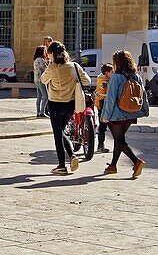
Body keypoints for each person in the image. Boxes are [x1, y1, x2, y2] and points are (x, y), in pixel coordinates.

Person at [39, 42, 91, 175]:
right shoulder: (74, 66)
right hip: (70, 104)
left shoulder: (52, 67)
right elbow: (87, 81)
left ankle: (63, 164)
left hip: (55, 103)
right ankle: (71, 157)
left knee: (58, 134)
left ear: (52, 54)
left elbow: (43, 80)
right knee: (61, 131)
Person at [99, 51, 148, 177]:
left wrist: (105, 116)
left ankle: (136, 161)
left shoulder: (116, 77)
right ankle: (113, 165)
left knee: (120, 141)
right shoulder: (136, 76)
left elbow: (110, 99)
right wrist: (145, 110)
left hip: (117, 115)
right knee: (119, 139)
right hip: (132, 113)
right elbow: (143, 95)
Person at [94, 64, 114, 153]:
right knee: (103, 126)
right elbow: (102, 94)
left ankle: (101, 145)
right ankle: (100, 146)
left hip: (101, 105)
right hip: (103, 105)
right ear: (107, 73)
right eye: (112, 72)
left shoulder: (102, 79)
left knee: (104, 126)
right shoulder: (104, 81)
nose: (113, 73)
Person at [33, 45, 50, 118]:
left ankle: (38, 112)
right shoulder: (41, 60)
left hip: (36, 79)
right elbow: (46, 68)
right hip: (41, 80)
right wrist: (49, 62)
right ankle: (42, 112)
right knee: (46, 96)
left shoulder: (36, 59)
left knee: (39, 97)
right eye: (45, 51)